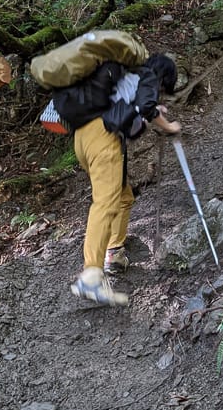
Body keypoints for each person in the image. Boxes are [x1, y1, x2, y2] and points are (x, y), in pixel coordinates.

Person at [66, 53, 181, 305]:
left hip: (82, 138)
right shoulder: (147, 75)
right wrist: (169, 126)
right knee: (106, 204)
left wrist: (150, 112)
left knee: (122, 196)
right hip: (102, 138)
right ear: (162, 76)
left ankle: (114, 254)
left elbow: (134, 116)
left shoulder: (125, 80)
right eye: (163, 88)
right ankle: (91, 276)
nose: (160, 91)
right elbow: (147, 109)